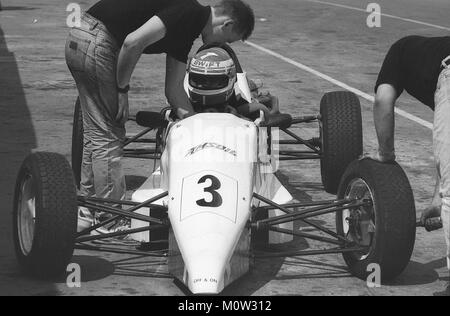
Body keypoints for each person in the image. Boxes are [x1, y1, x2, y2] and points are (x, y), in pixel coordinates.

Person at [65, 0, 255, 231]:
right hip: (96, 40)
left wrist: (199, 127)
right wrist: (122, 90)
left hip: (81, 38)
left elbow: (174, 91)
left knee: (96, 131)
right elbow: (132, 42)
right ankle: (110, 219)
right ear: (227, 24)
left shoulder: (187, 32)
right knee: (109, 134)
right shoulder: (189, 12)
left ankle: (87, 208)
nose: (222, 46)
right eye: (227, 40)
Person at [370, 35, 450, 296]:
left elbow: (383, 100)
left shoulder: (398, 52)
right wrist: (437, 197)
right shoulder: (429, 53)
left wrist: (386, 154)